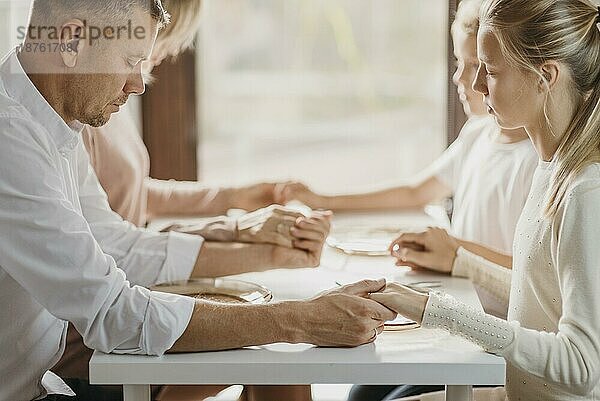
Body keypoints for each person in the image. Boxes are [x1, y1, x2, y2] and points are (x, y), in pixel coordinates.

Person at [0, 1, 397, 400]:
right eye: (130, 60)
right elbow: (113, 315)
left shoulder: (53, 123)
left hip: (43, 386)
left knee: (274, 365)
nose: (137, 84)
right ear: (71, 41)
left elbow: (117, 245)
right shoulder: (10, 141)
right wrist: (299, 320)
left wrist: (273, 260)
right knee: (275, 359)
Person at [52, 1, 319, 400]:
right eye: (172, 34)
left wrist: (231, 200)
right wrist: (245, 238)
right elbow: (113, 249)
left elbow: (134, 200)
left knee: (277, 356)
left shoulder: (111, 99)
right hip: (94, 326)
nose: (174, 49)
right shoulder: (83, 108)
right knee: (276, 356)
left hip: (132, 282)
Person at [374, 0, 600, 400]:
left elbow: (582, 367)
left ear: (544, 76)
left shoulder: (585, 190)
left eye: (490, 70)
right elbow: (541, 295)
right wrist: (444, 280)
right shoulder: (554, 166)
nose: (477, 84)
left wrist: (438, 312)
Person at [275, 0, 538, 273]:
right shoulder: (477, 134)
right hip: (461, 293)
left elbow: (532, 273)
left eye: (478, 65)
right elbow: (415, 192)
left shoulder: (535, 160)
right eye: (460, 63)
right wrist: (325, 201)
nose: (462, 79)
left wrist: (454, 251)